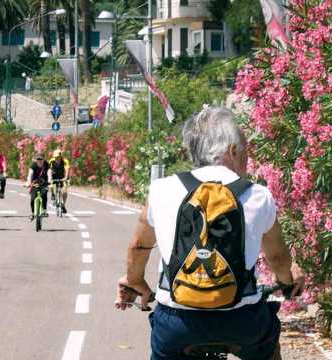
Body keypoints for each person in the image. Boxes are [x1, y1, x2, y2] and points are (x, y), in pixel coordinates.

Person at [114, 107, 306, 360]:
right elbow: (279, 259)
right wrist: (288, 280)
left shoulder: (161, 190)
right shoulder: (258, 196)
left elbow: (139, 246)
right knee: (267, 345)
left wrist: (135, 281)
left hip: (177, 324)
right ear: (233, 150)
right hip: (243, 322)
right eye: (246, 151)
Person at [24, 153, 52, 221]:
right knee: (33, 198)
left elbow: (49, 174)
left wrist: (50, 182)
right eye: (38, 159)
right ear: (36, 160)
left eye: (41, 159)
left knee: (44, 194)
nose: (39, 161)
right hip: (35, 184)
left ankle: (44, 210)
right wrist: (28, 182)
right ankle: (33, 213)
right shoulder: (33, 165)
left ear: (44, 159)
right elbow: (30, 175)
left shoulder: (47, 165)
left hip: (44, 183)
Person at [49, 149, 70, 214]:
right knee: (51, 186)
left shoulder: (65, 161)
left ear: (61, 156)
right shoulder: (51, 161)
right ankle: (52, 194)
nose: (57, 158)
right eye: (55, 157)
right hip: (54, 177)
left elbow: (67, 169)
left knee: (64, 192)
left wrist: (66, 178)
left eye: (58, 157)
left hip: (62, 178)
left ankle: (63, 205)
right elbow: (49, 170)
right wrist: (50, 178)